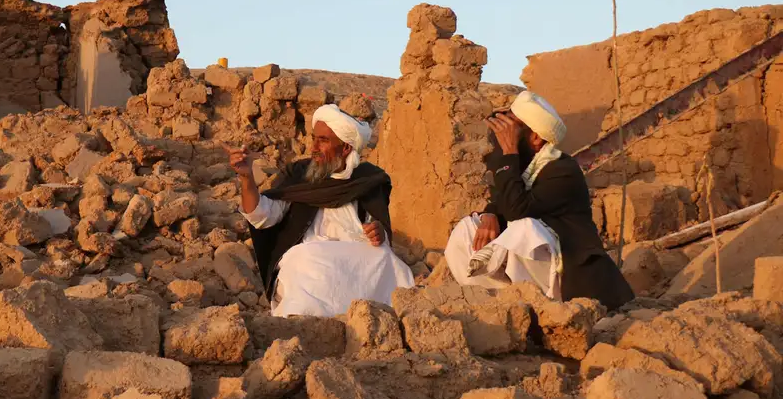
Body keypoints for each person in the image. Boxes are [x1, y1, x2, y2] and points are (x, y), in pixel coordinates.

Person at [443, 91, 634, 310]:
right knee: (467, 229)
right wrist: (490, 214)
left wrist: (509, 152)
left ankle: (538, 307)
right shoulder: (525, 163)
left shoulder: (562, 169)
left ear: (535, 138)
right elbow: (503, 196)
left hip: (569, 276)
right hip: (536, 268)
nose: (505, 134)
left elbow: (518, 210)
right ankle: (497, 304)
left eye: (512, 128)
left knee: (524, 230)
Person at [228, 104, 414, 317]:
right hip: (313, 257)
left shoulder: (367, 179)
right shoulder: (299, 174)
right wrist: (246, 177)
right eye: (314, 138)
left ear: (345, 148)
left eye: (323, 140)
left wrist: (378, 232)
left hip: (354, 256)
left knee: (385, 258)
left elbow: (378, 227)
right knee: (308, 258)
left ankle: (379, 317)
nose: (314, 147)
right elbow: (261, 216)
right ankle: (307, 320)